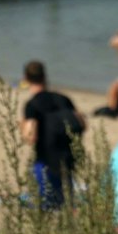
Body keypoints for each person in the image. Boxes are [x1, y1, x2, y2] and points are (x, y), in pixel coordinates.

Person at [20, 61, 84, 210]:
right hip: (68, 159)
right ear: (45, 76)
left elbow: (31, 137)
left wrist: (22, 126)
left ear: (26, 78)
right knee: (65, 202)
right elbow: (82, 124)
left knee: (44, 204)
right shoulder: (64, 99)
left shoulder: (32, 105)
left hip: (45, 161)